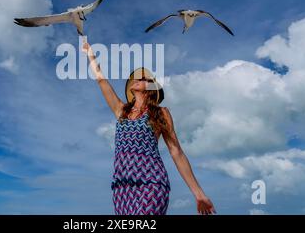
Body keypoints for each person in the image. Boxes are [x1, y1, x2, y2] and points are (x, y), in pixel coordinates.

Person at [82, 41, 216, 215]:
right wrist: (89, 54)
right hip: (122, 188)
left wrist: (199, 194)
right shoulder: (121, 110)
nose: (138, 79)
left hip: (151, 182)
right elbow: (101, 79)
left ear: (151, 88)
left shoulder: (161, 113)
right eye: (137, 77)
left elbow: (176, 151)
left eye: (144, 79)